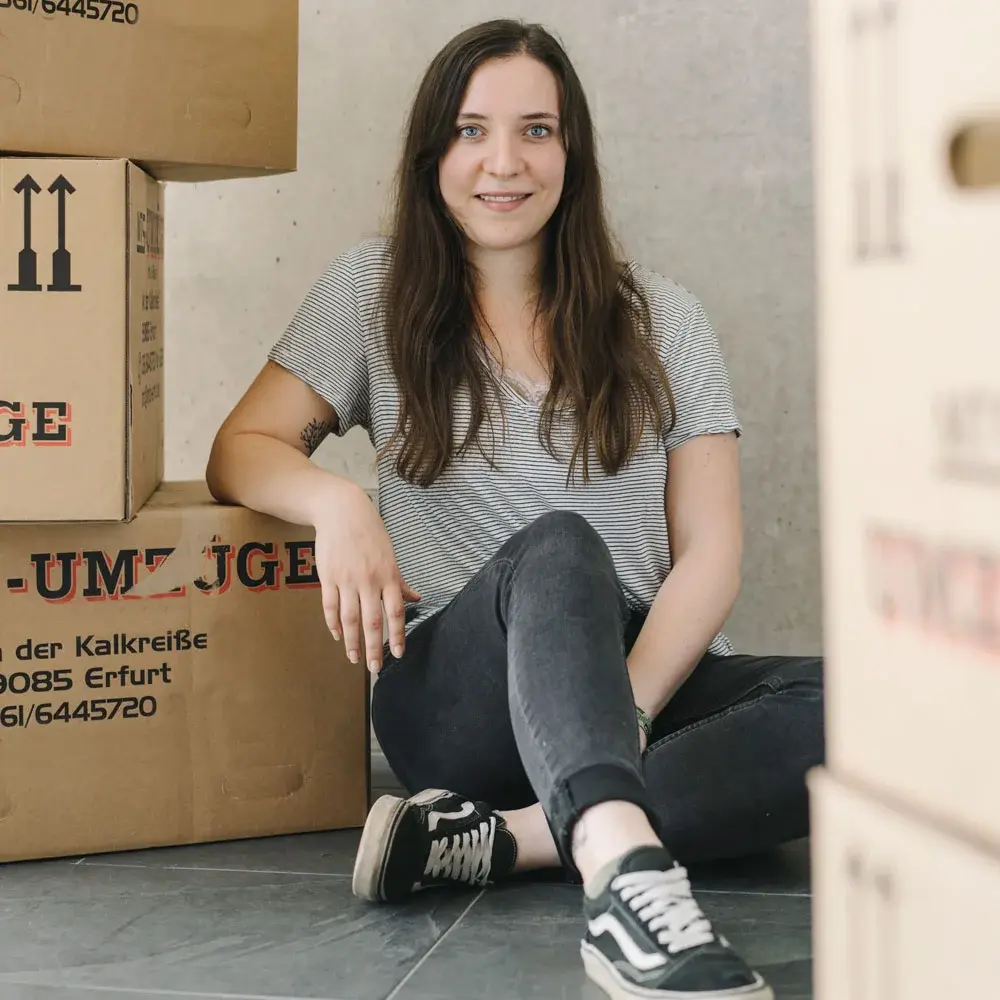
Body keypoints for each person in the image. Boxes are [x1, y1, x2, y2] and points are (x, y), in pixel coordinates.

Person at [206, 17, 823, 1000]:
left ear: (572, 153)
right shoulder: (371, 291)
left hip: (637, 675)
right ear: (432, 153)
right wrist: (336, 502)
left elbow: (712, 552)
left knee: (874, 711)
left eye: (537, 130)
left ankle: (506, 839)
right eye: (471, 131)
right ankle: (627, 888)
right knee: (560, 548)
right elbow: (240, 449)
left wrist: (625, 706)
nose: (504, 162)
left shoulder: (663, 318)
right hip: (458, 690)